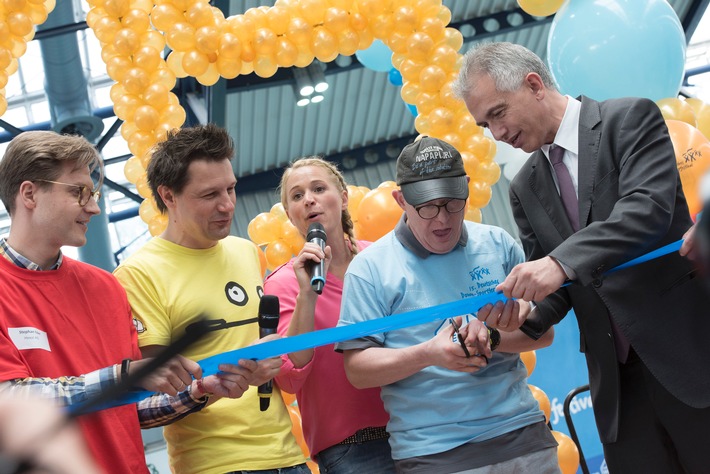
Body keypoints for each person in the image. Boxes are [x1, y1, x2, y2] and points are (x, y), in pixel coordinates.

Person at [455, 41, 710, 473]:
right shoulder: (524, 187)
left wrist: (557, 264)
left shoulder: (629, 118)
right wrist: (520, 314)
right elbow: (557, 293)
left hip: (688, 362)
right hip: (618, 394)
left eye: (498, 113)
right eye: (485, 125)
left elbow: (646, 209)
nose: (496, 134)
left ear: (534, 84)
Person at [0, 131, 257, 474]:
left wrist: (197, 391)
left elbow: (128, 409)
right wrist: (123, 375)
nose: (93, 207)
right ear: (30, 193)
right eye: (79, 193)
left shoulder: (105, 287)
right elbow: (12, 403)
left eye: (93, 194)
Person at [335, 136, 559, 474]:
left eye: (453, 203)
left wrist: (492, 339)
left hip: (523, 436)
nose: (441, 220)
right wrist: (428, 353)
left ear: (467, 187)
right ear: (400, 200)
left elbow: (544, 334)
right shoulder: (370, 269)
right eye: (427, 206)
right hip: (436, 455)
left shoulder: (498, 244)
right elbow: (357, 370)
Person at [113, 124, 308, 474]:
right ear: (168, 196)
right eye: (209, 195)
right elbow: (154, 397)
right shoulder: (138, 274)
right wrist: (214, 384)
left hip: (287, 455)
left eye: (231, 189)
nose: (227, 205)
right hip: (214, 464)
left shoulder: (245, 251)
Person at [264, 157, 396, 473]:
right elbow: (288, 378)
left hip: (418, 428)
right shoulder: (282, 283)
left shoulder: (381, 258)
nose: (309, 199)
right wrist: (307, 294)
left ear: (344, 197)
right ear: (290, 214)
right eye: (297, 196)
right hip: (352, 450)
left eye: (319, 188)